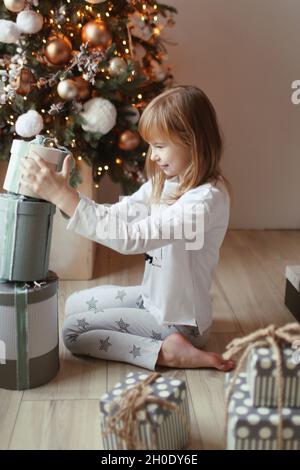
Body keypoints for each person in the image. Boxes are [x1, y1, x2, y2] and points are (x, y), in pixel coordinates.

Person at [20, 85, 235, 372]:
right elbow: (120, 215)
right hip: (153, 300)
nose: (153, 155)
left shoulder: (204, 202)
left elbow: (131, 239)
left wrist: (64, 197)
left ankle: (169, 352)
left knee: (72, 331)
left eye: (160, 146)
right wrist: (66, 197)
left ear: (192, 141)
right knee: (73, 304)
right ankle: (165, 342)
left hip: (182, 321)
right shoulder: (168, 182)